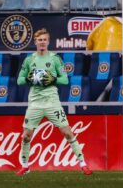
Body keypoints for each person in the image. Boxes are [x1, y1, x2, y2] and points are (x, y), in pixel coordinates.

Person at [16, 28, 92, 176]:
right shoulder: (29, 60)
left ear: (48, 42)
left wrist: (54, 79)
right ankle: (25, 166)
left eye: (44, 40)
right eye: (39, 40)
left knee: (68, 133)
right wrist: (28, 79)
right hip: (35, 103)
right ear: (35, 42)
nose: (42, 42)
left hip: (52, 102)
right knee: (26, 136)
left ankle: (83, 164)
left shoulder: (55, 59)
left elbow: (65, 79)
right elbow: (19, 81)